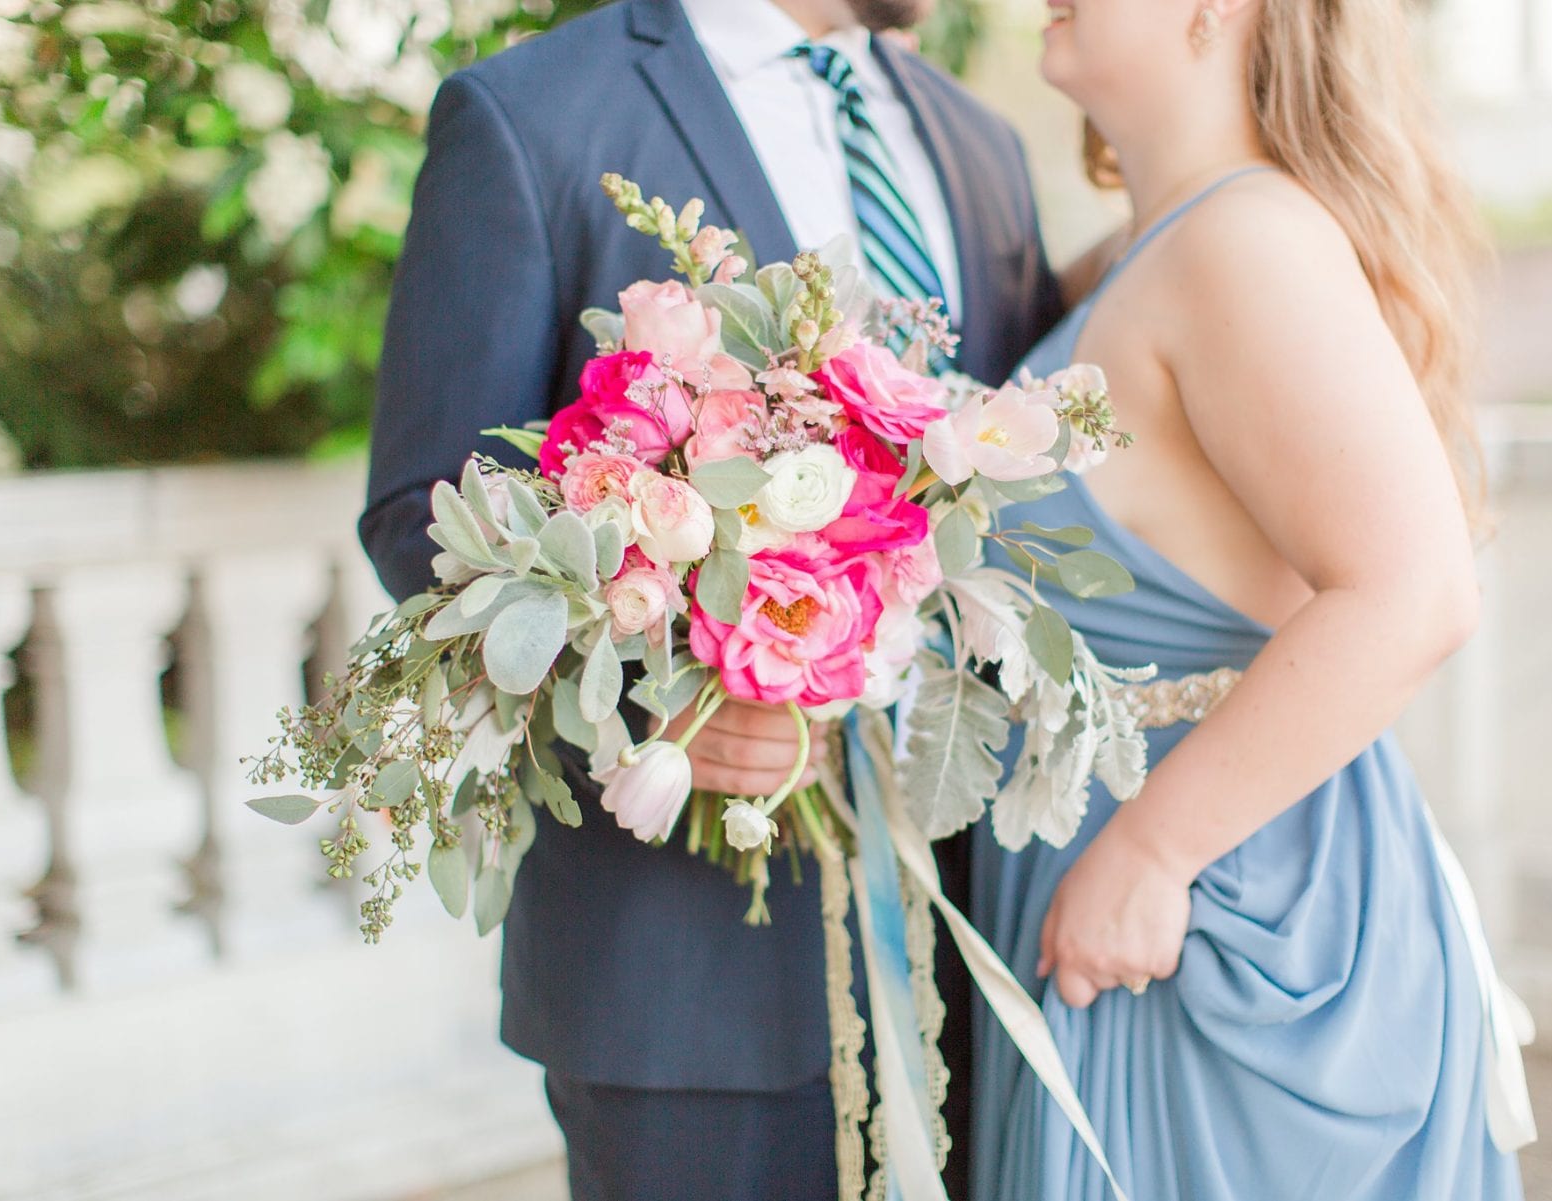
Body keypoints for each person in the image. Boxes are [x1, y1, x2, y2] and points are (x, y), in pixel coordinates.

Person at [357, 0, 1061, 1196]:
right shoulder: (533, 118)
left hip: (977, 952)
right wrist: (665, 694)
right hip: (688, 984)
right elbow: (423, 504)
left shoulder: (979, 143)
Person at [971, 0, 1530, 1198]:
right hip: (1129, 887)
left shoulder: (1245, 243)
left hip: (1218, 913)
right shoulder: (1147, 250)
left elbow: (1416, 588)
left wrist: (1155, 851)